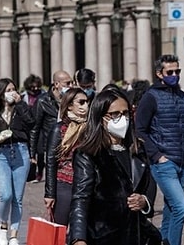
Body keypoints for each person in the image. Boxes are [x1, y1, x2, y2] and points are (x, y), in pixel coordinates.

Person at [68, 89, 160, 245]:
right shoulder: (88, 154)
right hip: (102, 234)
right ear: (101, 118)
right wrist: (78, 238)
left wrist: (144, 201)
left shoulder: (137, 149)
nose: (122, 119)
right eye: (115, 114)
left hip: (135, 234)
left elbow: (149, 184)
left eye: (125, 113)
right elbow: (80, 198)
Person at [135, 54, 184, 245]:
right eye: (170, 72)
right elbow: (140, 129)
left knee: (171, 208)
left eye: (177, 71)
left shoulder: (182, 96)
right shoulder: (150, 97)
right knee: (180, 207)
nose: (174, 75)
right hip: (164, 162)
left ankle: (161, 241)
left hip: (183, 162)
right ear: (159, 74)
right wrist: (157, 156)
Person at [0, 78, 35, 245]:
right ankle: (3, 224)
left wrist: (21, 104)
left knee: (17, 197)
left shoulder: (21, 109)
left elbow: (32, 123)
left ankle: (14, 235)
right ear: (1, 94)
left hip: (21, 151)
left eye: (14, 89)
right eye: (8, 90)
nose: (12, 93)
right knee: (5, 194)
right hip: (1, 155)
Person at [44, 88, 88, 225]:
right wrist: (50, 194)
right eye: (81, 102)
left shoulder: (91, 128)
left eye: (87, 101)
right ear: (69, 105)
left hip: (85, 184)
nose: (85, 106)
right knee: (60, 227)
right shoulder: (59, 129)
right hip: (65, 184)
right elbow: (51, 161)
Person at [30, 70, 73, 183]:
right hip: (52, 146)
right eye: (67, 83)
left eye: (71, 83)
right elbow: (35, 128)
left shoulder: (72, 99)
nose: (70, 86)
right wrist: (32, 153)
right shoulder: (43, 101)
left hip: (70, 145)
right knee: (53, 179)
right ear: (56, 84)